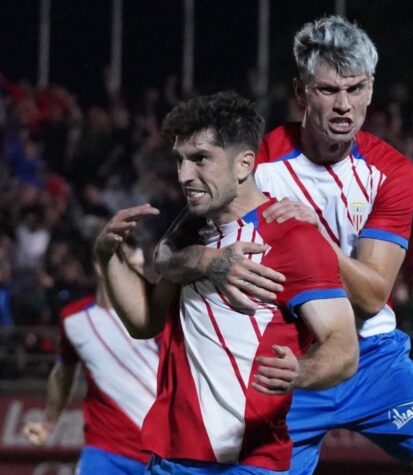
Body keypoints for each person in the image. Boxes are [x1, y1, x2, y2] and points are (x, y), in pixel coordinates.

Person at [155, 16, 413, 475]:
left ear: (371, 90)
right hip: (288, 362)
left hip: (373, 359)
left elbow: (370, 297)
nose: (344, 104)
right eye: (329, 90)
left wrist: (317, 237)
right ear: (301, 91)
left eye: (357, 88)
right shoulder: (257, 160)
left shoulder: (393, 173)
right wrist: (211, 260)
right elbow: (164, 257)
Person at [94, 92, 359, 474]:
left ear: (244, 164)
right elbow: (145, 321)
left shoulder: (291, 238)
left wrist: (301, 372)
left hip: (248, 462)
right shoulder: (191, 240)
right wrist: (108, 255)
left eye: (200, 158)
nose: (185, 175)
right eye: (180, 160)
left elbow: (344, 347)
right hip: (170, 458)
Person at [23, 240, 159, 475]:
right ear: (100, 267)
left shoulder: (157, 315)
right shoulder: (74, 321)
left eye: (140, 267)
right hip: (105, 451)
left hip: (161, 452)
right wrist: (48, 423)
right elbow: (63, 373)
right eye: (130, 266)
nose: (138, 275)